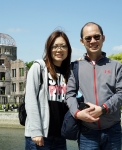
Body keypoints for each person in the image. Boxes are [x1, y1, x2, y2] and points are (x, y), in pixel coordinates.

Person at [66, 22, 122, 150]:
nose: (93, 41)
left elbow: (120, 93)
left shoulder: (116, 66)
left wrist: (103, 108)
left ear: (103, 38)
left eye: (97, 37)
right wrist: (77, 113)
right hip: (87, 133)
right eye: (88, 38)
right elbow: (69, 95)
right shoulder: (75, 67)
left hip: (113, 130)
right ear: (82, 41)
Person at [24, 30, 72, 150]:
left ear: (68, 49)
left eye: (63, 46)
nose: (59, 49)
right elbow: (30, 100)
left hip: (60, 138)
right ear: (48, 48)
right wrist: (36, 131)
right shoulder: (38, 67)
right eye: (55, 46)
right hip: (40, 137)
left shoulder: (69, 72)